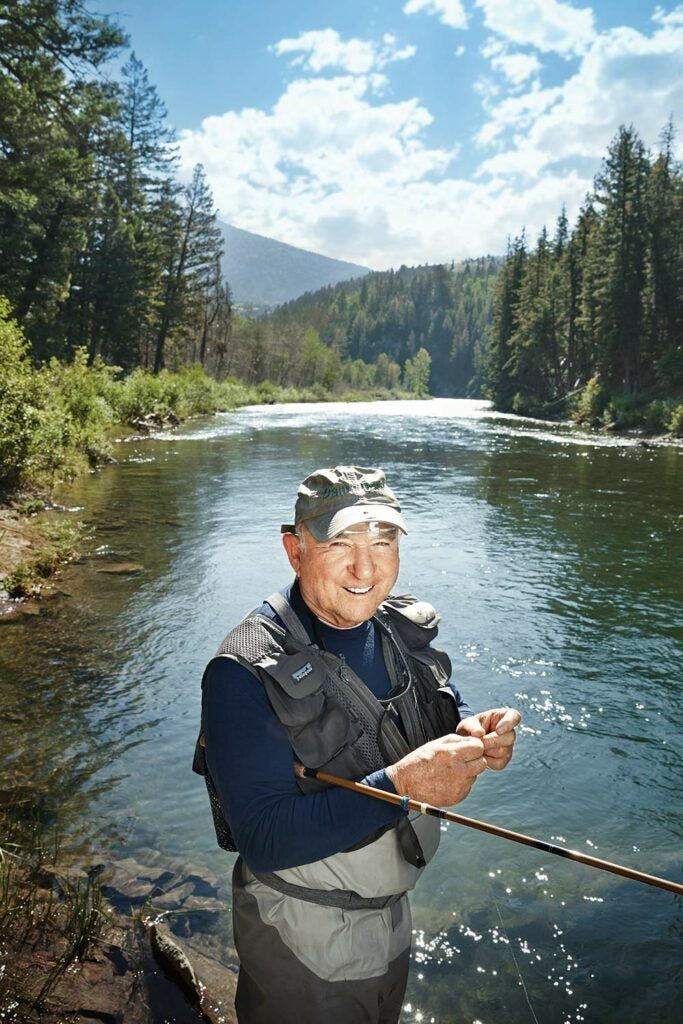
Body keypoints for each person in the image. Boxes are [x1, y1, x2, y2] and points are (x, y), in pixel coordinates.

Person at [193, 465, 521, 1024]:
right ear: (294, 551)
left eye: (383, 543)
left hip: (391, 917)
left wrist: (470, 731)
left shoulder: (396, 623)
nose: (364, 568)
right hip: (300, 936)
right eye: (340, 544)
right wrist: (403, 785)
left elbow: (440, 702)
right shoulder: (239, 672)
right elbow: (265, 838)